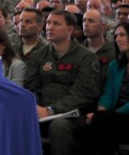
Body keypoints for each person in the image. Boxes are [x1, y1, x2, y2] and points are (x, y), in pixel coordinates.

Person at [24, 10, 101, 155]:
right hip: (41, 110)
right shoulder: (38, 55)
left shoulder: (86, 58)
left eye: (56, 24)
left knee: (59, 126)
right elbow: (30, 86)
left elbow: (81, 94)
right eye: (48, 23)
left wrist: (50, 110)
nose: (50, 27)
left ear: (70, 29)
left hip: (73, 115)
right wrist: (35, 106)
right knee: (14, 119)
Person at [79, 21, 129, 154]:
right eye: (116, 36)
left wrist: (105, 115)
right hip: (113, 117)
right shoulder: (115, 65)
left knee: (101, 124)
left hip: (122, 115)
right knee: (91, 125)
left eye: (122, 35)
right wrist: (101, 113)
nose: (117, 39)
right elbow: (108, 94)